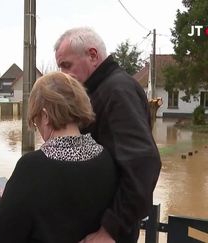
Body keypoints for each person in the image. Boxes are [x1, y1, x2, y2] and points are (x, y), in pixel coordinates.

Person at [54, 27, 161, 243]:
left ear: (93, 56)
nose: (64, 75)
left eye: (67, 65)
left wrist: (110, 230)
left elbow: (143, 164)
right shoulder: (100, 90)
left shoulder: (117, 91)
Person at [0, 72, 118, 243]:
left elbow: (0, 236)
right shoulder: (106, 159)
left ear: (46, 116)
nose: (38, 128)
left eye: (35, 121)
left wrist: (9, 199)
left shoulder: (32, 167)